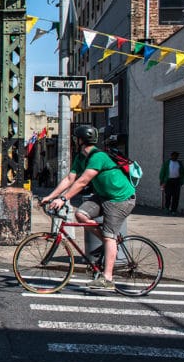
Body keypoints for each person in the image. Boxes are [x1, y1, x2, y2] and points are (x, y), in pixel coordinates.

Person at [39, 124, 136, 291]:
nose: (75, 140)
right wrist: (51, 196)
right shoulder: (81, 157)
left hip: (121, 199)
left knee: (108, 236)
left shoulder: (98, 157)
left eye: (76, 138)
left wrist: (63, 199)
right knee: (81, 215)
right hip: (103, 196)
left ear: (80, 140)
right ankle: (107, 242)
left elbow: (83, 181)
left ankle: (107, 278)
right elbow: (70, 179)